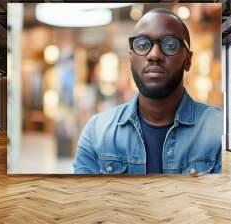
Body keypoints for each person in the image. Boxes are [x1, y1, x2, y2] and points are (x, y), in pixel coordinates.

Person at [73, 8, 223, 174]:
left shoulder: (220, 130)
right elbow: (84, 198)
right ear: (131, 58)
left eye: (170, 45)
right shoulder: (97, 133)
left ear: (188, 60)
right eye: (143, 45)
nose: (154, 55)